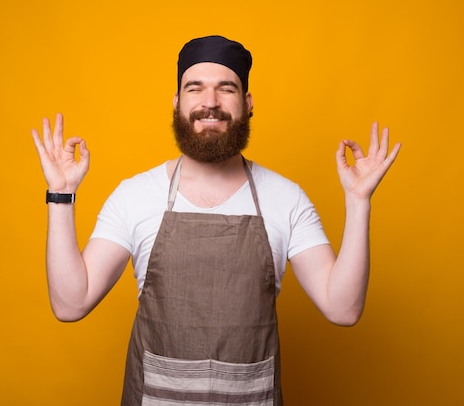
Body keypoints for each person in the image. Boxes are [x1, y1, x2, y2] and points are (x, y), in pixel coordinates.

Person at [31, 35, 401, 405]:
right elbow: (71, 304)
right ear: (177, 103)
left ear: (247, 103)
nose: (210, 103)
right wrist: (61, 195)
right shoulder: (135, 195)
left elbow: (343, 308)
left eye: (226, 89)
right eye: (196, 88)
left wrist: (357, 201)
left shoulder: (285, 198)